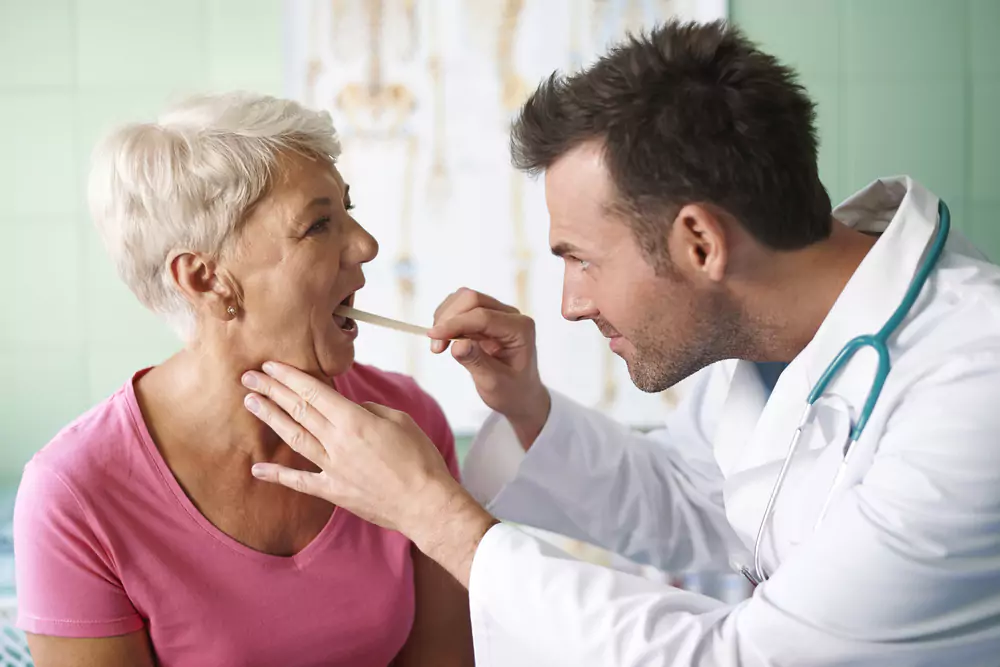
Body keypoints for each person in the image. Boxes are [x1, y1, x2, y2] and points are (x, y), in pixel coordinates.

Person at [242, 20, 1000, 667]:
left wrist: (432, 513)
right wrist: (528, 407)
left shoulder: (974, 392)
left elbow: (736, 659)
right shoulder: (767, 332)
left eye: (581, 258)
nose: (570, 305)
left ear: (700, 241)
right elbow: (698, 497)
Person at [13, 92, 474, 667]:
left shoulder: (407, 422)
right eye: (319, 225)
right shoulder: (74, 495)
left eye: (348, 210)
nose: (366, 245)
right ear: (206, 280)